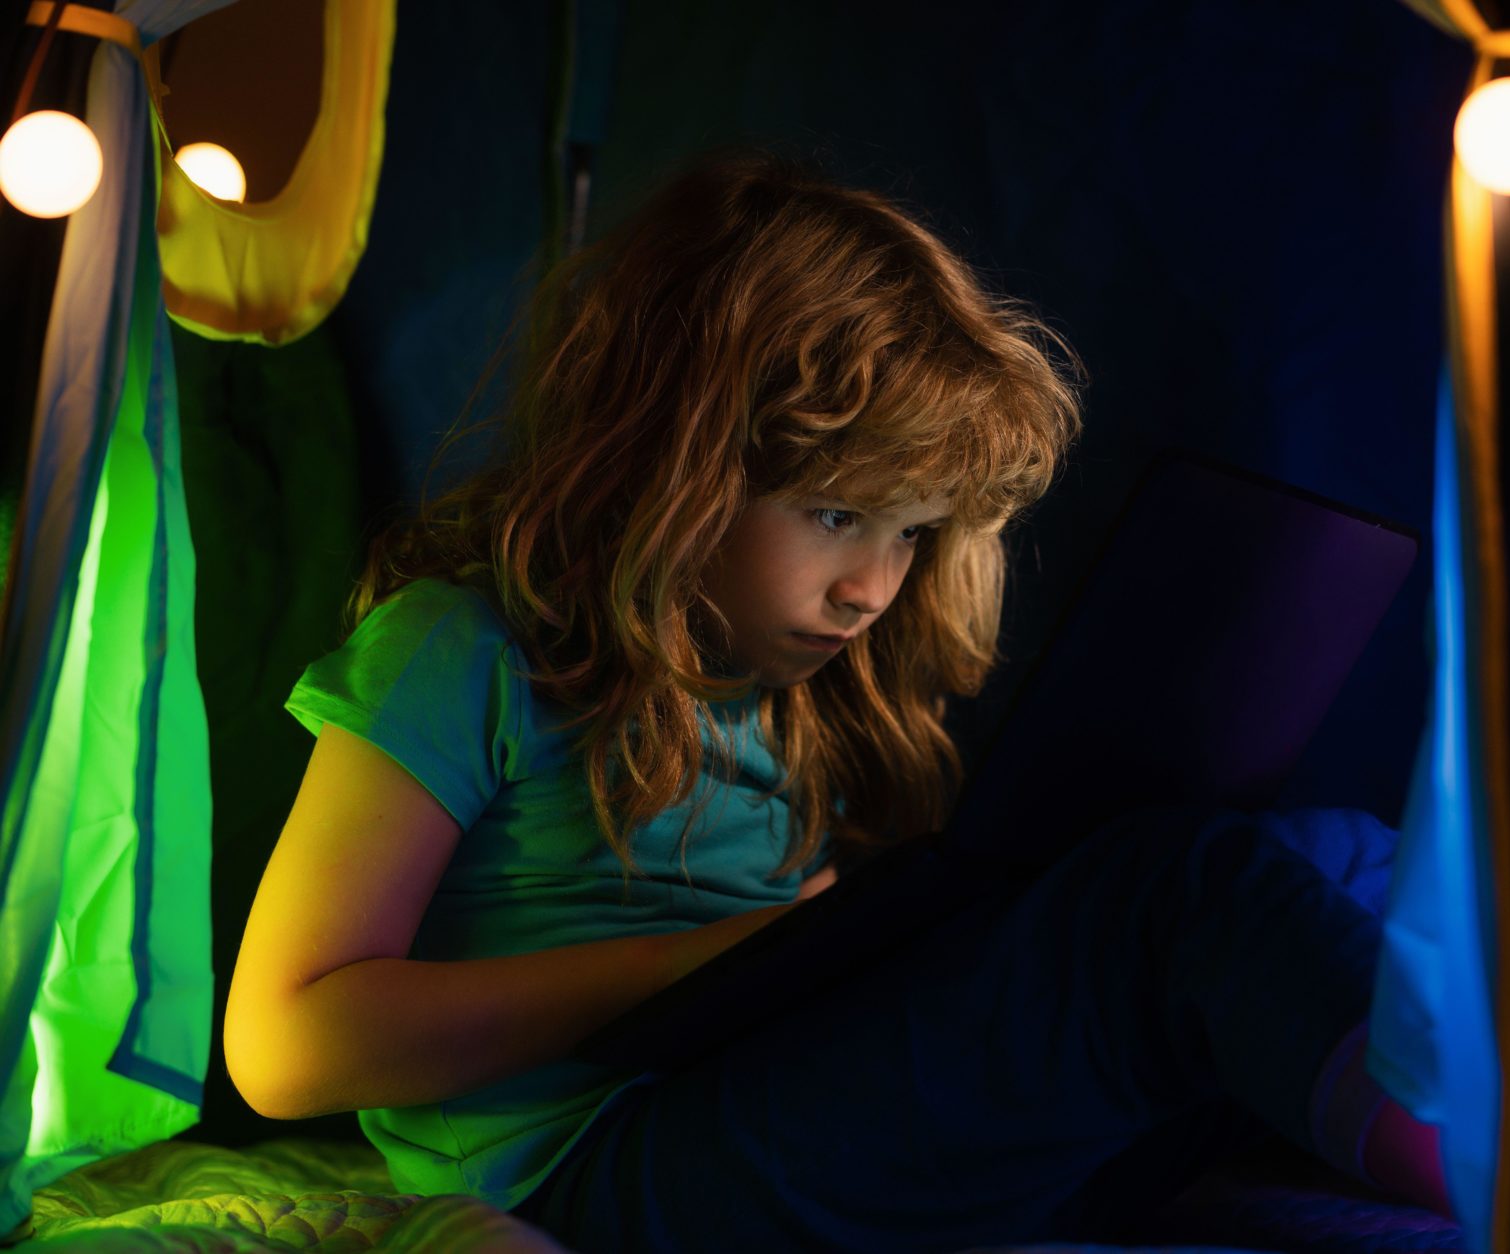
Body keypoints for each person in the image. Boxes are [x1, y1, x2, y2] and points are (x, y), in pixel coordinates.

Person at [224, 150, 1444, 1252]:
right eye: (833, 514)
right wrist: (709, 962)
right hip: (597, 1167)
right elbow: (286, 1047)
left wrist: (840, 950)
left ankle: (1479, 1113)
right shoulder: (466, 644)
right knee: (1182, 896)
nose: (871, 586)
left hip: (795, 1111)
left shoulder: (806, 691)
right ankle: (1509, 1172)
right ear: (677, 462)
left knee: (1329, 854)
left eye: (911, 533)